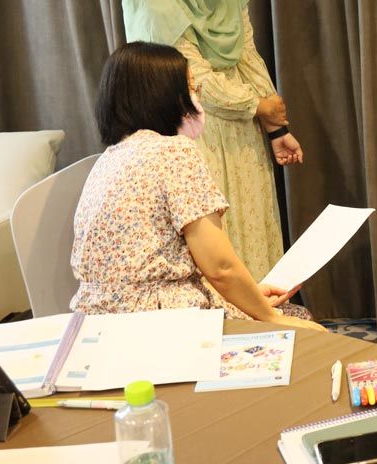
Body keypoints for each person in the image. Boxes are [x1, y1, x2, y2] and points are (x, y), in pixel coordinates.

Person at [71, 43, 323, 333]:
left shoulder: (106, 161)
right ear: (163, 96)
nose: (197, 98)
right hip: (160, 321)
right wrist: (271, 317)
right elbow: (220, 267)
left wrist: (252, 296)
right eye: (191, 89)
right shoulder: (175, 152)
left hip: (93, 322)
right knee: (299, 322)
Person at [122, 0, 301, 280]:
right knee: (221, 249)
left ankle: (264, 314)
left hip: (242, 129)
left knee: (255, 236)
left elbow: (246, 51)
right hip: (196, 135)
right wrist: (255, 106)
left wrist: (275, 125)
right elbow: (193, 78)